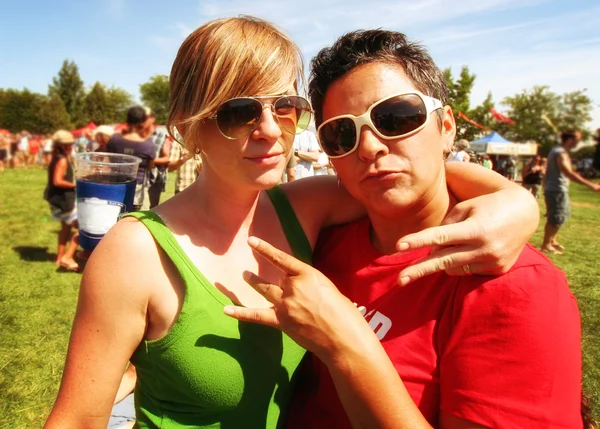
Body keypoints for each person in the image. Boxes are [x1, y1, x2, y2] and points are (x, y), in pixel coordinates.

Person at [44, 16, 539, 429]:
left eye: (286, 107)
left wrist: (514, 201)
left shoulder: (307, 205)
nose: (268, 130)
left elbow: (402, 172)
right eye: (238, 113)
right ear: (187, 127)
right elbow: (77, 419)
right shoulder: (136, 252)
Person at [226, 29, 585, 429]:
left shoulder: (513, 286)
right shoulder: (321, 238)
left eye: (395, 118)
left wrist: (346, 346)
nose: (369, 147)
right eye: (341, 133)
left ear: (446, 127)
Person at [541, 129, 600, 254]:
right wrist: (591, 185)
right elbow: (568, 172)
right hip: (557, 189)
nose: (579, 142)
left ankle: (552, 241)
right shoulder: (560, 153)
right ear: (569, 139)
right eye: (577, 139)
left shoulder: (557, 151)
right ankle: (546, 245)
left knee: (560, 215)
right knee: (556, 217)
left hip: (555, 189)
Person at [106, 106, 156, 211]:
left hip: (115, 187)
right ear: (143, 122)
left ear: (127, 121)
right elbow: (150, 167)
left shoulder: (115, 140)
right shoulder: (148, 145)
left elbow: (109, 160)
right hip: (136, 191)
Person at [43, 130, 80, 271]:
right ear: (62, 145)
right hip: (64, 200)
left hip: (57, 199)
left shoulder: (56, 157)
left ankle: (59, 258)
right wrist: (76, 184)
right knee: (84, 228)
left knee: (65, 229)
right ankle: (67, 257)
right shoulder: (62, 159)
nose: (71, 146)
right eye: (69, 144)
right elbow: (57, 181)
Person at [145, 113, 172, 208]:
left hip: (154, 178)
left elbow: (167, 158)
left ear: (152, 119)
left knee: (150, 207)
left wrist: (150, 160)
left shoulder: (162, 136)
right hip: (139, 177)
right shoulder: (136, 136)